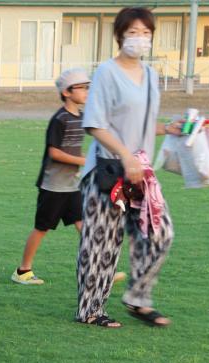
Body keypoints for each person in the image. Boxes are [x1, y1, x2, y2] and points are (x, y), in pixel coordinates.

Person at [77, 7, 180, 328]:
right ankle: (91, 310)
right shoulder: (107, 73)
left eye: (146, 33)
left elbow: (142, 122)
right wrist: (125, 155)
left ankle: (138, 298)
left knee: (160, 233)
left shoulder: (151, 75)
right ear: (120, 35)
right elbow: (94, 124)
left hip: (141, 172)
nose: (140, 39)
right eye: (133, 32)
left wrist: (168, 128)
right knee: (102, 244)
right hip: (108, 171)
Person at [11, 68, 89, 285]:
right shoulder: (60, 119)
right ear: (67, 92)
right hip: (53, 186)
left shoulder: (81, 117)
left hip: (72, 185)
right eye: (81, 88)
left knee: (83, 224)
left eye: (86, 87)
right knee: (42, 228)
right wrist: (83, 161)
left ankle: (98, 266)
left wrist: (85, 160)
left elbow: (73, 150)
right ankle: (22, 271)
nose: (86, 92)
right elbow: (54, 152)